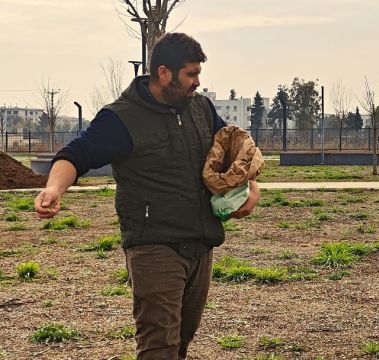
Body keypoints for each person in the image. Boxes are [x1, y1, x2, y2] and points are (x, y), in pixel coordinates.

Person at [34, 33, 260, 359]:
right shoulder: (122, 118)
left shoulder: (201, 108)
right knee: (159, 347)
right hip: (154, 246)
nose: (198, 82)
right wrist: (54, 188)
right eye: (191, 74)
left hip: (201, 243)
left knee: (180, 342)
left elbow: (231, 149)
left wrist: (251, 186)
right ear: (164, 72)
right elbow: (75, 155)